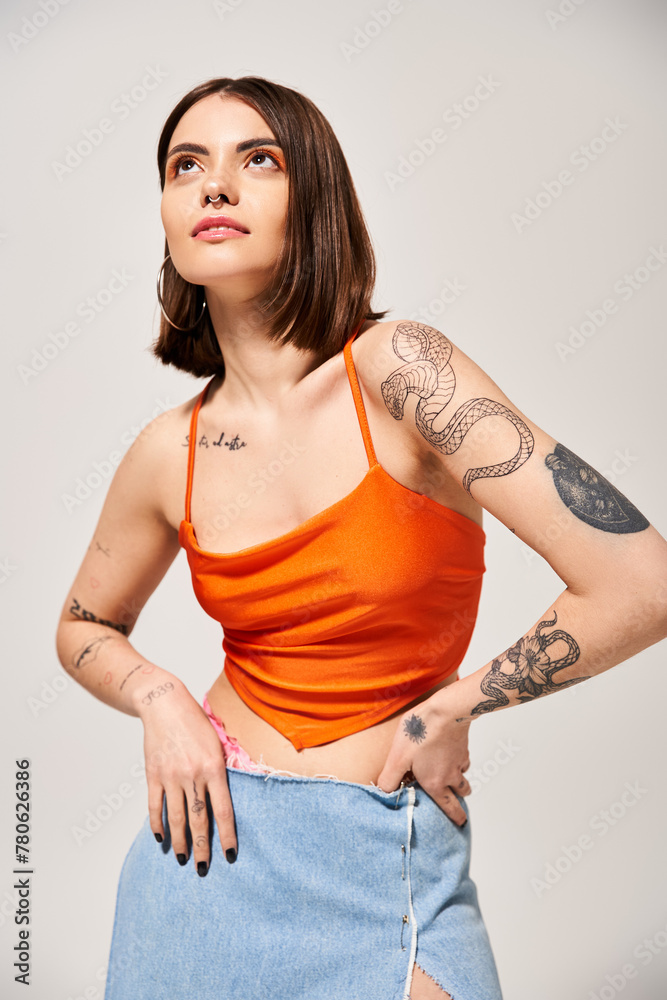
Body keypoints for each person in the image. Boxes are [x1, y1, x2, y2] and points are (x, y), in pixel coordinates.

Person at [55, 75, 667, 1000]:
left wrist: (451, 708)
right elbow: (83, 625)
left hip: (383, 849)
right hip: (198, 864)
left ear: (317, 203)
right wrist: (159, 699)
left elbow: (639, 580)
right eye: (188, 165)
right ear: (171, 218)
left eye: (257, 159)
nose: (215, 185)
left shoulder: (399, 372)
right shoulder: (165, 450)